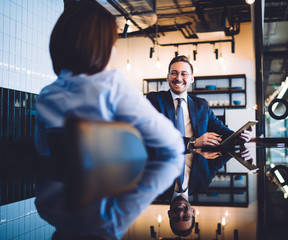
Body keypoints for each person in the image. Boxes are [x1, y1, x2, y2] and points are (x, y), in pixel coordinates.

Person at [34, 1, 184, 240]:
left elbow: (44, 153)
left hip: (56, 198)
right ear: (102, 48)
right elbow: (173, 144)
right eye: (113, 44)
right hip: (106, 196)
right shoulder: (111, 85)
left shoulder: (45, 95)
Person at [146, 55, 253, 150]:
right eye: (174, 73)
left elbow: (220, 129)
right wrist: (193, 142)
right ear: (167, 77)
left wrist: (237, 138)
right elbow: (153, 132)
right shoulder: (155, 99)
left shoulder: (201, 104)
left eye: (184, 74)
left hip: (196, 163)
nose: (178, 78)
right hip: (163, 160)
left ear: (192, 79)